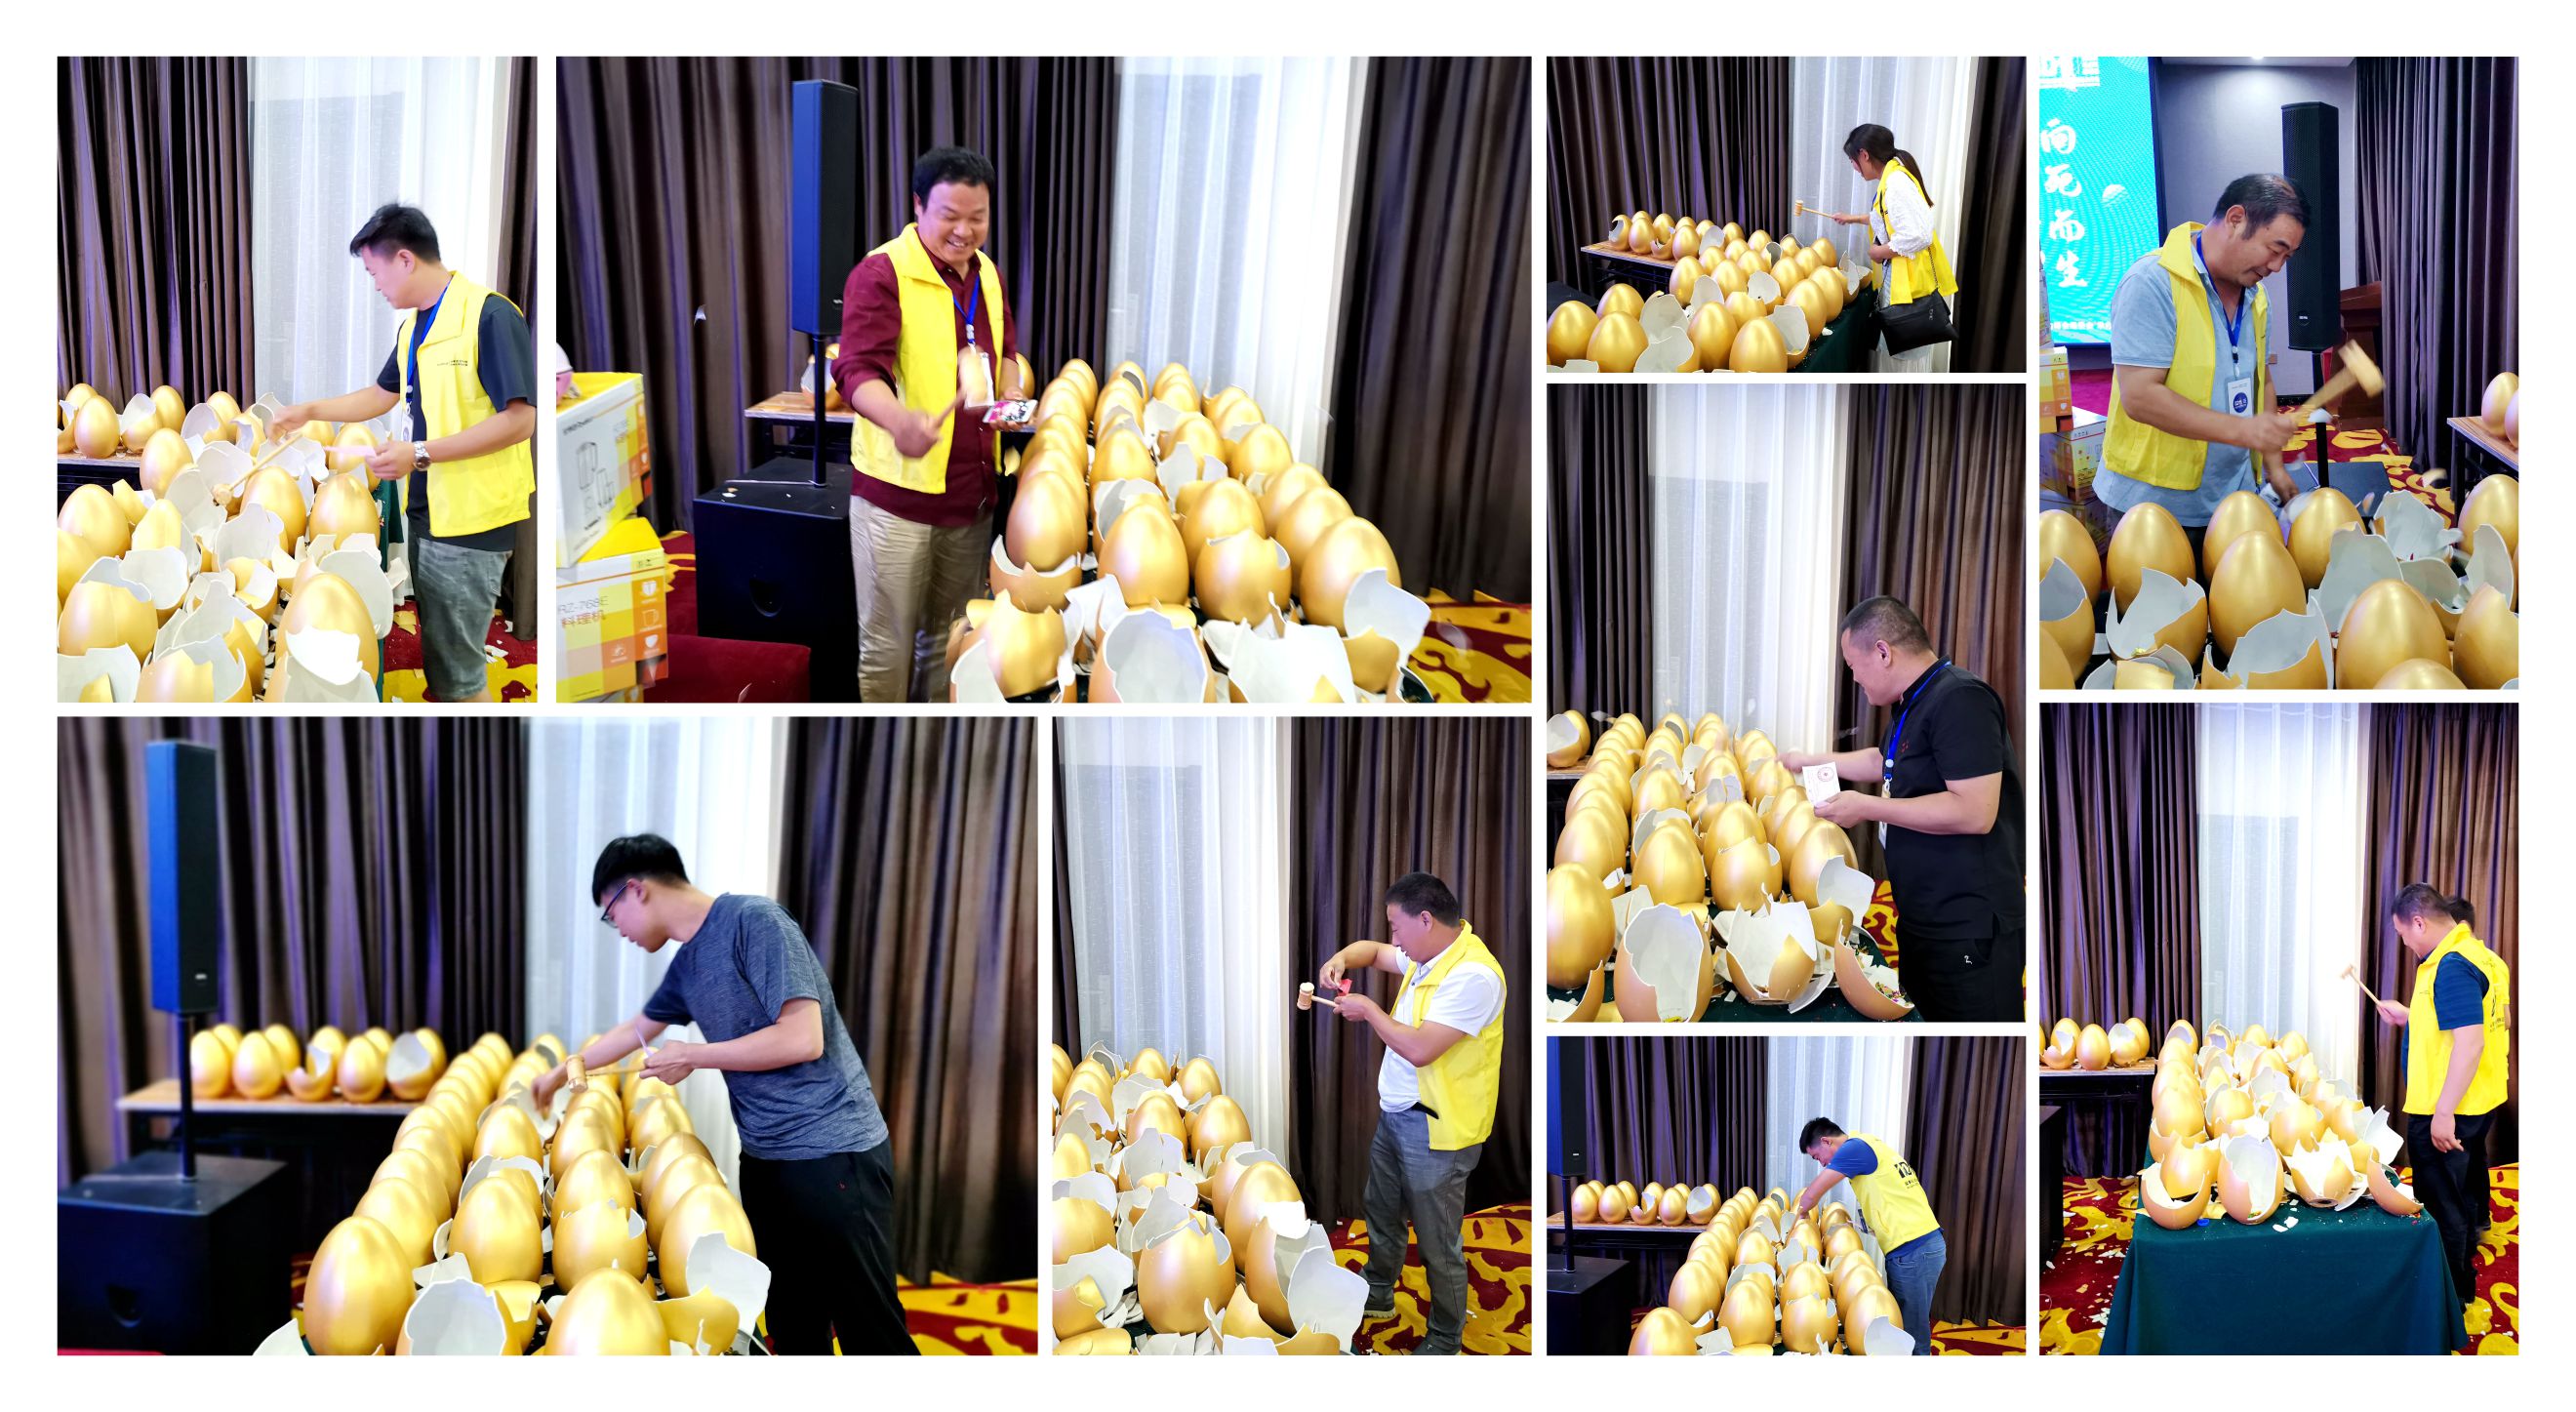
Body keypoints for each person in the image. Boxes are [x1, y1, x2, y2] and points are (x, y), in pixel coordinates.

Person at [532, 834, 916, 1355]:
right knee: (793, 1323)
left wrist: (694, 1055)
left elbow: (802, 1038)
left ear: (636, 890)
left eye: (611, 913)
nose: (617, 929)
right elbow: (636, 1030)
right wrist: (560, 1073)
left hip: (833, 1154)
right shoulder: (687, 966)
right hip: (767, 1160)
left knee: (870, 1330)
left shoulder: (754, 923)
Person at [274, 203, 534, 703]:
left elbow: (521, 421)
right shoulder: (416, 327)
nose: (375, 286)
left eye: (375, 272)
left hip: (473, 522)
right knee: (444, 655)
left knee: (459, 675)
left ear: (405, 259)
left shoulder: (490, 316)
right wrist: (309, 409)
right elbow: (382, 394)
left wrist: (417, 454)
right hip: (430, 511)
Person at [833, 146, 1029, 703]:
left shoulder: (987, 274)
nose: (965, 232)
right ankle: (883, 747)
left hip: (971, 496)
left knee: (948, 642)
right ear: (918, 206)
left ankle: (932, 741)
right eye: (950, 216)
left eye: (978, 218)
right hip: (898, 501)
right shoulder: (883, 272)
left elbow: (1004, 353)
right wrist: (899, 420)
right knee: (888, 647)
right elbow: (855, 370)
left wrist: (1012, 393)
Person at [1780, 597, 2022, 1021]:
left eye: (1853, 667)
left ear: (1883, 652)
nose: (1855, 679)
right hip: (1922, 915)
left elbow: (1975, 811)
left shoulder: (1961, 699)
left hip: (1967, 924)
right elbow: (1885, 761)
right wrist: (1811, 761)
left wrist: (1868, 807)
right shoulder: (1915, 701)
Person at [1320, 872, 1509, 1355]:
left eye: (1397, 927)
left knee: (1437, 1243)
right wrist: (1342, 958)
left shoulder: (1474, 976)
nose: (1394, 939)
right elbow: (1372, 952)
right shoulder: (1429, 954)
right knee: (1381, 1211)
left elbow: (1422, 1048)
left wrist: (1369, 1011)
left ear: (1426, 920)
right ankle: (1379, 1292)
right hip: (1398, 1113)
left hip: (1438, 1129)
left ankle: (1444, 1338)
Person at [2098, 175, 2310, 550]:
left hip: (2232, 495)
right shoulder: (2152, 282)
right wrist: (2243, 431)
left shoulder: (2256, 296)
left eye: (2287, 257)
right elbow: (2140, 397)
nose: (2277, 267)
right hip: (2156, 506)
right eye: (2274, 249)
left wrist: (2274, 465)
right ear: (2236, 219)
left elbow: (2261, 378)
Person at [2373, 884, 2511, 1320]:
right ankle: (2462, 1270)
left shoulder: (2450, 965)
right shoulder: (2480, 956)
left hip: (2448, 1106)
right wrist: (2410, 1016)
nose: (2404, 943)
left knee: (2441, 1201)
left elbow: (2470, 1043)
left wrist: (2444, 1112)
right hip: (2482, 1098)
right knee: (2463, 1189)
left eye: (2402, 933)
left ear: (2418, 922)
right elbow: (2486, 1021)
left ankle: (2451, 1294)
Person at [1791, 1118, 1945, 1355]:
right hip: (1920, 1246)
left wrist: (1797, 1221)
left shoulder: (1853, 1148)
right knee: (1906, 1327)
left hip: (1914, 1250)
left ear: (1826, 1141)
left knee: (1911, 1335)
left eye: (1816, 1156)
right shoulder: (1868, 1143)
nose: (1821, 1164)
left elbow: (1812, 1195)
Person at [1824, 124, 1958, 363]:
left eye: (1852, 160)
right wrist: (1852, 218)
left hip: (1907, 282)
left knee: (1903, 352)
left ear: (1864, 155)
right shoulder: (1893, 176)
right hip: (1903, 277)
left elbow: (1919, 235)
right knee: (1899, 348)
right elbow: (1888, 218)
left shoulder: (1896, 183)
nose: (1853, 167)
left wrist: (1880, 252)